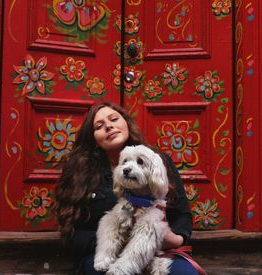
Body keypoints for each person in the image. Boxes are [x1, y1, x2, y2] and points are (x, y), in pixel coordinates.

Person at [55, 101, 197, 275]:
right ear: (93, 138)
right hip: (102, 254)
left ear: (126, 123)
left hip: (159, 251)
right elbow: (72, 232)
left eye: (114, 119)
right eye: (99, 126)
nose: (108, 126)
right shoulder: (81, 172)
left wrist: (174, 239)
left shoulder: (159, 161)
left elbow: (183, 215)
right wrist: (114, 241)